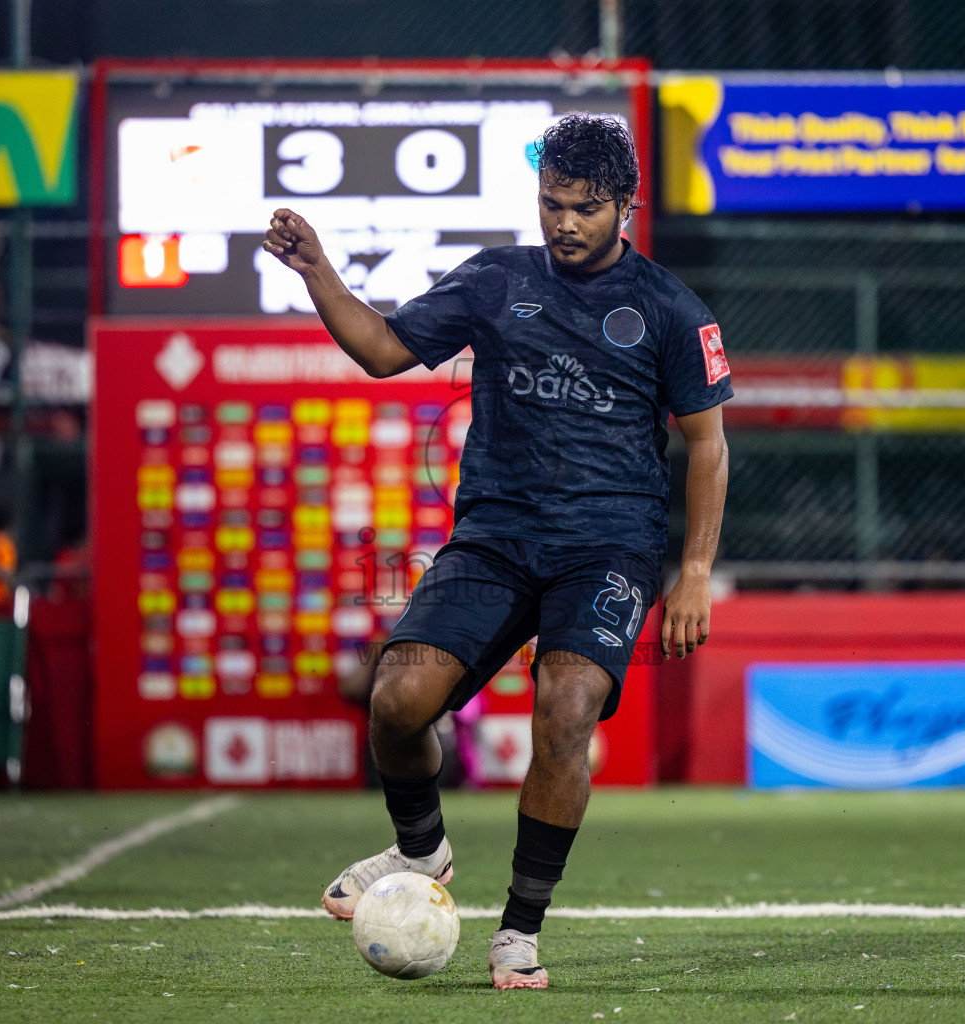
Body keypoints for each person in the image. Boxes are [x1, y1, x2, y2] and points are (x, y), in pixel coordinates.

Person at [263, 113, 731, 989]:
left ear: (625, 205)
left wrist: (694, 571)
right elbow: (381, 350)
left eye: (585, 209)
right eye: (551, 204)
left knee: (564, 707)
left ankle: (519, 929)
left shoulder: (670, 309)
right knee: (398, 700)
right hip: (495, 539)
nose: (564, 224)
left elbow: (708, 445)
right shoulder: (496, 278)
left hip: (608, 550)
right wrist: (317, 270)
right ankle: (424, 854)